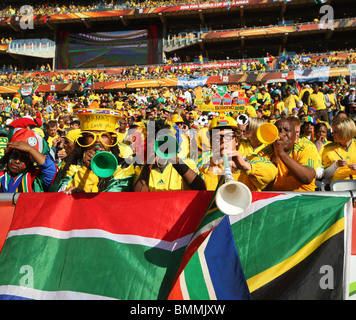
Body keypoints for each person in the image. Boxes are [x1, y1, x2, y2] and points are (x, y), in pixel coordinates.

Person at [59, 107, 135, 194]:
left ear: (112, 140)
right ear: (84, 139)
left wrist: (85, 198)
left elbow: (114, 198)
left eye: (104, 136)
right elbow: (58, 193)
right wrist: (86, 169)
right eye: (91, 136)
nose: (97, 140)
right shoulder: (71, 162)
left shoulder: (123, 166)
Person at [199, 114, 277, 192]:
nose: (223, 140)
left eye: (228, 136)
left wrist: (245, 166)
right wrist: (213, 167)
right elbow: (208, 198)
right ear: (211, 143)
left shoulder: (251, 158)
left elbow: (271, 174)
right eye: (217, 138)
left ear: (236, 141)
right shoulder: (205, 167)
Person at [133, 119, 206, 192]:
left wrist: (174, 159)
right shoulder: (141, 170)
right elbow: (138, 196)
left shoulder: (188, 164)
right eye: (154, 143)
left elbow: (201, 188)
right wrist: (148, 163)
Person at [259, 118, 318, 191]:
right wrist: (276, 154)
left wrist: (281, 153)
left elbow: (307, 178)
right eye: (278, 131)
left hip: (303, 198)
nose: (282, 134)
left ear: (294, 136)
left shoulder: (305, 149)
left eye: (287, 130)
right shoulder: (263, 153)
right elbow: (265, 188)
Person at [0, 128, 56, 193]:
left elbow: (50, 171)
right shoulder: (1, 175)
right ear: (8, 155)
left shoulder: (35, 178)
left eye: (24, 158)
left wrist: (31, 149)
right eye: (15, 155)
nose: (17, 161)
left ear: (31, 161)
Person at [322, 117, 356, 183]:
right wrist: (335, 165)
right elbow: (325, 175)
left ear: (345, 132)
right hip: (338, 185)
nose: (332, 134)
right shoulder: (328, 149)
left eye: (335, 132)